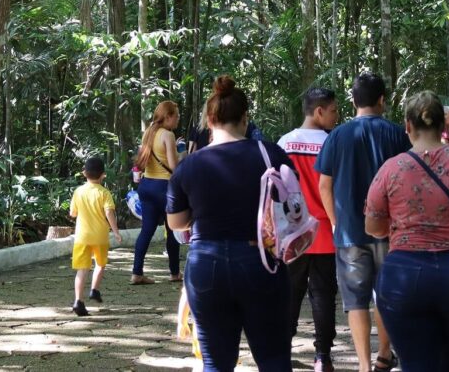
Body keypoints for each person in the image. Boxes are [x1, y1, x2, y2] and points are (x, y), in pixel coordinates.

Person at [167, 75, 296, 371]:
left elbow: (177, 223)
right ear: (245, 118)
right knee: (274, 358)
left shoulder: (190, 165)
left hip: (206, 265)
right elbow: (290, 207)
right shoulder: (271, 154)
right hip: (260, 263)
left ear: (209, 121)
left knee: (215, 361)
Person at [365, 91, 449, 371]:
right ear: (444, 125)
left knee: (416, 364)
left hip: (406, 279)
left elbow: (373, 227)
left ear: (408, 126)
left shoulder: (391, 168)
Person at [316, 73, 410, 372]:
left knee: (355, 300)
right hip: (388, 231)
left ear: (353, 100)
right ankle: (384, 353)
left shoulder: (337, 135)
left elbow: (324, 185)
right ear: (382, 99)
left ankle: (364, 366)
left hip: (349, 232)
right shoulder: (397, 134)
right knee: (384, 294)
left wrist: (334, 221)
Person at [277, 88, 341, 372]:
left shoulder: (285, 143)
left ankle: (281, 349)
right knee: (324, 297)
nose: (336, 116)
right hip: (326, 233)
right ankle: (322, 357)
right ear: (319, 112)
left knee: (290, 294)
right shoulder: (333, 143)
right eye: (333, 110)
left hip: (294, 235)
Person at [131, 100, 183, 284]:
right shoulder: (168, 135)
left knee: (146, 230)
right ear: (167, 117)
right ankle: (174, 273)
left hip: (147, 186)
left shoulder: (149, 132)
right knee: (172, 230)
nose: (178, 119)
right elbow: (173, 166)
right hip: (165, 188)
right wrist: (183, 155)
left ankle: (136, 272)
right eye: (176, 115)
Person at [69, 156, 122, 316]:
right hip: (100, 236)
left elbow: (72, 213)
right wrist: (116, 231)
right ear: (103, 175)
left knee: (82, 270)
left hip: (82, 237)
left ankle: (78, 301)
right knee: (100, 264)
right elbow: (109, 213)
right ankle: (94, 290)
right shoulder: (104, 193)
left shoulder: (78, 192)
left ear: (84, 173)